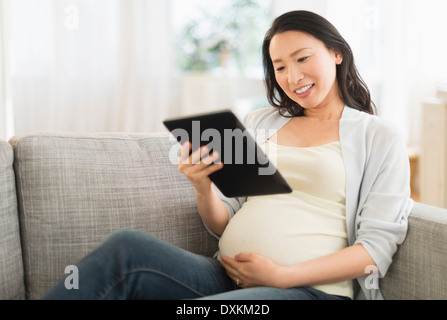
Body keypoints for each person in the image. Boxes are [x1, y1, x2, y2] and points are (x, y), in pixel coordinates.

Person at [43, 10, 413, 300]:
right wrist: (203, 187)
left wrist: (281, 276)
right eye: (280, 67)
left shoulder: (378, 136)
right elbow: (224, 222)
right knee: (127, 248)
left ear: (336, 53)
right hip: (224, 278)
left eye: (302, 58)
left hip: (309, 292)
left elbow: (374, 251)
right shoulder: (260, 122)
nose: (292, 75)